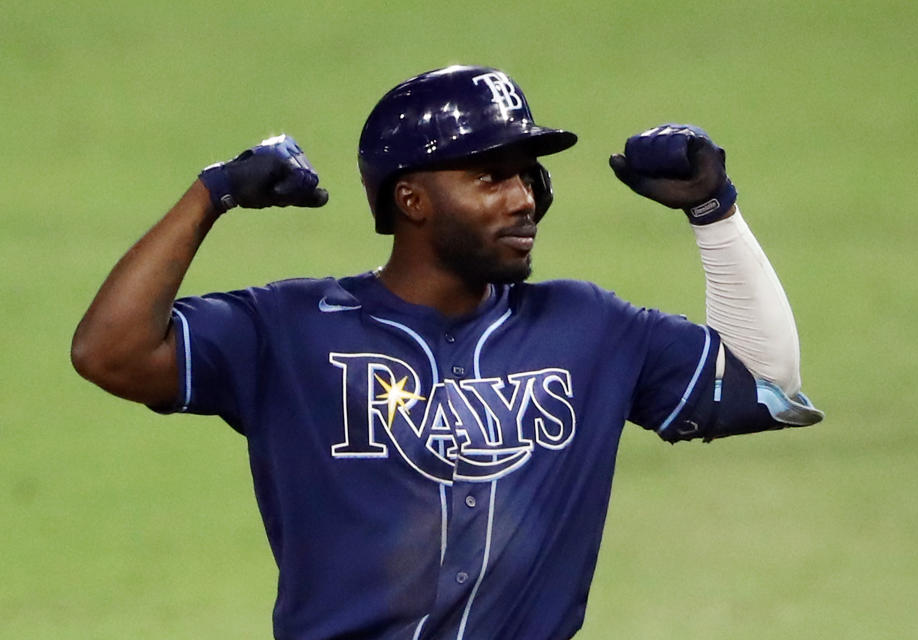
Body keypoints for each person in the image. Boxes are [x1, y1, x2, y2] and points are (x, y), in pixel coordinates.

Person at [71, 65, 822, 640]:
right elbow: (110, 351)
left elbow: (767, 386)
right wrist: (214, 192)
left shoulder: (589, 328)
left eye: (529, 174)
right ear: (412, 200)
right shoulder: (291, 327)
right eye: (490, 176)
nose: (523, 196)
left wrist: (712, 210)